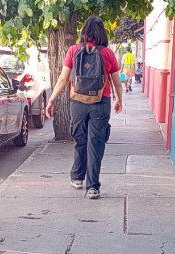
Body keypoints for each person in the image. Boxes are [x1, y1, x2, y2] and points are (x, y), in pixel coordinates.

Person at [45, 16, 123, 200]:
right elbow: (117, 82)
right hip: (100, 103)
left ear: (84, 32)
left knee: (80, 140)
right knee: (95, 143)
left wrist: (52, 100)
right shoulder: (108, 54)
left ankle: (78, 177)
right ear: (102, 33)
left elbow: (63, 79)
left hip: (77, 103)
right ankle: (93, 187)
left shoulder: (73, 50)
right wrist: (119, 99)